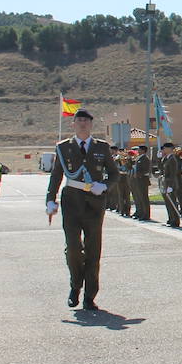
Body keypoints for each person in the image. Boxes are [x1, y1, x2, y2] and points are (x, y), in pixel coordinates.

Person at [45, 110, 119, 311]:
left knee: (93, 250)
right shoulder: (63, 148)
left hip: (95, 204)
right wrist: (50, 200)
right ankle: (75, 285)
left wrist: (104, 186)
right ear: (73, 124)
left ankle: (89, 296)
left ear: (91, 124)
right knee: (74, 248)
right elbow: (56, 176)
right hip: (72, 202)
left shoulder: (101, 148)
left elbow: (114, 174)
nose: (83, 123)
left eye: (86, 120)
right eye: (79, 120)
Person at [159, 142, 182, 227]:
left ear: (170, 149)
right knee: (168, 203)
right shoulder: (167, 158)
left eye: (165, 148)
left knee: (172, 203)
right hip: (166, 183)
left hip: (171, 184)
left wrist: (170, 185)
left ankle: (175, 220)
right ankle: (171, 218)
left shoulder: (173, 159)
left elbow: (173, 173)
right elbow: (162, 169)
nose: (164, 150)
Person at [130, 146, 152, 221]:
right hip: (137, 180)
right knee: (139, 198)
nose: (138, 151)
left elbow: (146, 170)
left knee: (144, 198)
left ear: (143, 150)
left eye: (139, 149)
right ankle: (140, 212)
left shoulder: (145, 158)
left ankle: (146, 214)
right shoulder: (138, 158)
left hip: (143, 180)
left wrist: (138, 174)